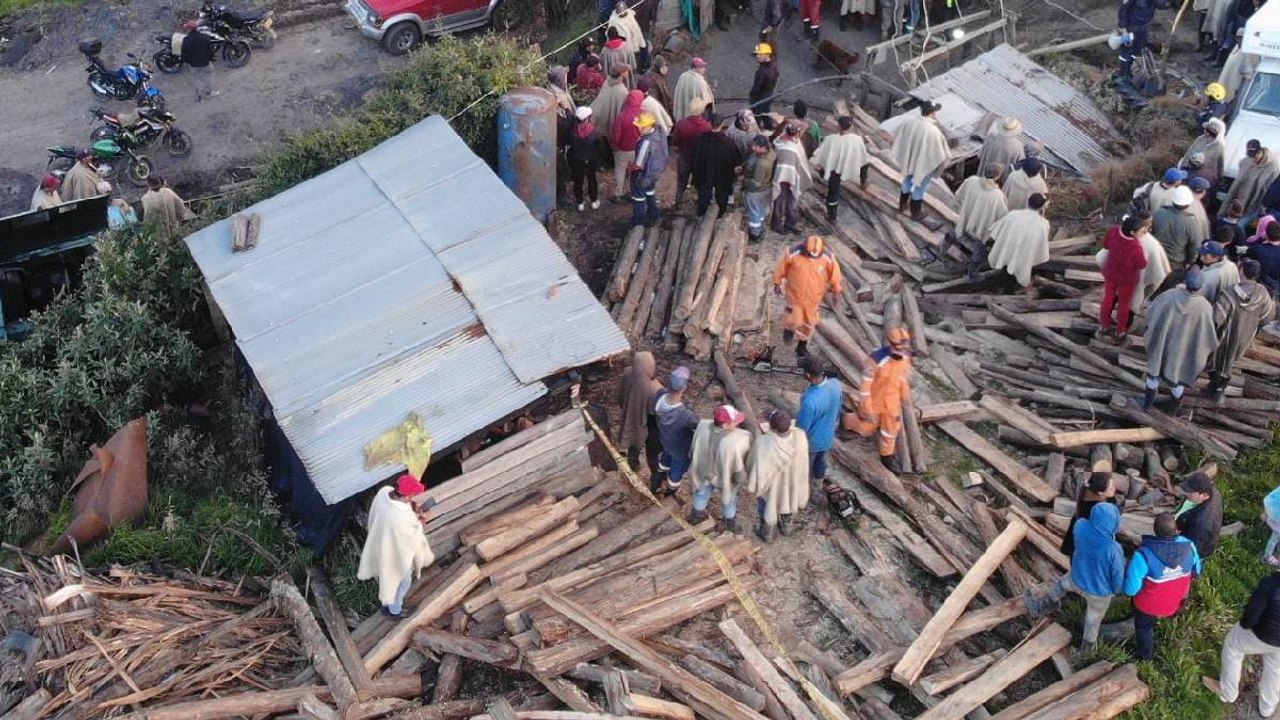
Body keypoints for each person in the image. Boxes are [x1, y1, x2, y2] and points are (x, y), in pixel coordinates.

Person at [1025, 502, 1126, 653]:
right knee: (1093, 621)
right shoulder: (1114, 548)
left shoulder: (1080, 526)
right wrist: (1117, 589)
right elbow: (1117, 574)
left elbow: (1084, 524)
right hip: (1099, 592)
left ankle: (1041, 607)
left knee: (1059, 586)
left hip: (1076, 578)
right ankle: (1086, 651)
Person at [1124, 512, 1203, 660]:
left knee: (1144, 628)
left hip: (1147, 605)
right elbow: (1197, 571)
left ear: (1155, 531)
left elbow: (1130, 589)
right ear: (1176, 530)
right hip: (1175, 600)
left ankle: (1145, 656)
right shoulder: (1189, 547)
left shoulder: (1143, 555)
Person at [357, 474, 435, 618]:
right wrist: (422, 520)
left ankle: (386, 603)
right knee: (403, 582)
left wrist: (411, 507)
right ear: (405, 496)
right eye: (411, 495)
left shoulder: (385, 492)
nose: (412, 497)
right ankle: (394, 611)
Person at [1142, 267, 1219, 413]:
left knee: (1154, 374)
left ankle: (1147, 404)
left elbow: (1150, 314)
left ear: (1185, 282)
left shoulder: (1169, 296)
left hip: (1163, 346)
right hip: (1184, 351)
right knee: (1180, 377)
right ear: (1200, 286)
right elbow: (1208, 336)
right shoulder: (1205, 307)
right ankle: (1172, 409)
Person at [1204, 571, 1280, 718]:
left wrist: (1245, 625)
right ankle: (1267, 707)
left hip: (1264, 634)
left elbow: (1252, 614)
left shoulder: (1271, 584)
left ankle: (1227, 692)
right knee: (1275, 667)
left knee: (1233, 646)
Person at [1207, 259, 1275, 399]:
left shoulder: (1229, 294)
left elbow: (1216, 319)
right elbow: (1268, 315)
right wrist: (1255, 325)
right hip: (1246, 336)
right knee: (1231, 360)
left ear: (1241, 271)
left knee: (1218, 361)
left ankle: (1216, 390)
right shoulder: (1262, 292)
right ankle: (1220, 388)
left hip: (1226, 337)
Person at [849, 327, 913, 473]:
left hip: (892, 405)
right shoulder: (876, 359)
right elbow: (865, 387)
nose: (902, 352)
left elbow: (903, 379)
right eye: (899, 349)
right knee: (864, 428)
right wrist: (866, 409)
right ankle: (844, 421)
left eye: (904, 349)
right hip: (874, 402)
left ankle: (887, 459)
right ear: (891, 345)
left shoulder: (905, 358)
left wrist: (905, 397)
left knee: (890, 432)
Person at [773, 235, 842, 358]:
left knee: (809, 323)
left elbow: (835, 275)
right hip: (794, 296)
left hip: (813, 298)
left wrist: (836, 291)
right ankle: (789, 330)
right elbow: (781, 268)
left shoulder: (828, 257)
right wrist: (777, 282)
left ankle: (801, 346)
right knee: (793, 317)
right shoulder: (792, 253)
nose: (813, 257)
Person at [747, 409, 809, 541]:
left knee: (767, 505)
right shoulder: (800, 436)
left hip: (772, 489)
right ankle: (787, 528)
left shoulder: (763, 443)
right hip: (792, 483)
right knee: (788, 500)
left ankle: (768, 534)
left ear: (772, 427)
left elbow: (754, 465)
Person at [688, 405, 753, 531]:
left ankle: (696, 516)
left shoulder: (702, 427)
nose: (737, 424)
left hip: (704, 471)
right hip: (725, 476)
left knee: (701, 493)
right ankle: (730, 524)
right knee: (729, 499)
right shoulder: (738, 440)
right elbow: (739, 470)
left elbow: (693, 450)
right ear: (724, 425)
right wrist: (741, 479)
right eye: (734, 422)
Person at [891, 101, 950, 220]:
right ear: (933, 112)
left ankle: (902, 205)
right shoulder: (934, 132)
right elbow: (944, 154)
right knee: (919, 187)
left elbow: (899, 135)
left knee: (907, 180)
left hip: (910, 160)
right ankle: (915, 213)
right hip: (923, 163)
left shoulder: (909, 122)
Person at [987, 193, 1052, 300]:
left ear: (1028, 202)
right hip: (1024, 255)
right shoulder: (1043, 224)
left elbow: (996, 231)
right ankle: (1010, 291)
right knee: (1019, 271)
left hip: (1008, 251)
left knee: (1007, 268)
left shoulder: (1013, 215)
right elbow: (1042, 244)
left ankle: (1005, 289)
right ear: (1041, 207)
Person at [795, 355, 843, 502]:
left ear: (808, 375)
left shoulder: (810, 400)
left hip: (812, 442)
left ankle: (800, 493)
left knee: (804, 466)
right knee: (820, 463)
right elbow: (839, 409)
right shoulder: (835, 385)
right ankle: (816, 490)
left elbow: (801, 428)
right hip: (828, 436)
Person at [948, 163, 1009, 274]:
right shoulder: (998, 196)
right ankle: (972, 274)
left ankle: (952, 248)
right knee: (980, 253)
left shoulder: (971, 181)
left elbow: (958, 196)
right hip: (980, 231)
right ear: (997, 177)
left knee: (956, 233)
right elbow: (1002, 218)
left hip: (964, 222)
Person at [1099, 213, 1151, 341]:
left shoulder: (1113, 231)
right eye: (1142, 231)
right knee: (1124, 304)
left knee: (1108, 298)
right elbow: (1142, 264)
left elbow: (1105, 245)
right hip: (1127, 278)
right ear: (1133, 233)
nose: (1144, 233)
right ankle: (1121, 329)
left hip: (1111, 272)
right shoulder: (1135, 247)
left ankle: (1104, 325)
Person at [810, 116, 867, 222]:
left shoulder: (831, 139)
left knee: (833, 191)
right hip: (849, 165)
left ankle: (832, 215)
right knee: (865, 164)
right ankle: (863, 182)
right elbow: (863, 158)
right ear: (850, 126)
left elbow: (822, 155)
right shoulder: (857, 140)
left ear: (839, 126)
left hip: (834, 168)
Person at [617, 351, 663, 481]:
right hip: (647, 424)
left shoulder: (627, 374)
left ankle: (634, 466)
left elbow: (619, 396)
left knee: (633, 447)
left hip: (630, 418)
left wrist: (628, 408)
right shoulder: (654, 389)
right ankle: (656, 476)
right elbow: (655, 413)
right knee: (652, 454)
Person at [654, 366, 698, 495]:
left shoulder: (659, 395)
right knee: (676, 472)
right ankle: (670, 493)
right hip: (681, 450)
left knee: (664, 461)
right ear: (684, 388)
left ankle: (656, 482)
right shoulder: (685, 415)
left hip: (665, 441)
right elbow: (697, 427)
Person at [691, 115, 741, 217]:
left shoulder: (700, 139)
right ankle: (720, 214)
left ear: (709, 124)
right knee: (722, 196)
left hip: (703, 173)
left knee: (704, 195)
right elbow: (735, 160)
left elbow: (693, 157)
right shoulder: (728, 143)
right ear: (722, 125)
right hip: (722, 175)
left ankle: (702, 214)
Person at [771, 122, 813, 234]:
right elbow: (787, 164)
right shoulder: (787, 147)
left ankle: (791, 222)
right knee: (781, 199)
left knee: (793, 199)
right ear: (796, 133)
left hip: (793, 176)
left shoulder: (787, 140)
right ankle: (777, 223)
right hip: (783, 178)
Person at [1061, 472, 1118, 556]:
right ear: (1100, 493)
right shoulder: (1095, 510)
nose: (1114, 488)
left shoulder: (1089, 491)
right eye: (1111, 488)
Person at [629, 111, 668, 227]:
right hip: (655, 171)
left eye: (641, 127)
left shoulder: (646, 142)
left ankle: (638, 222)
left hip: (644, 174)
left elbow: (639, 164)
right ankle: (654, 216)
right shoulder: (660, 133)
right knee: (650, 192)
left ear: (648, 126)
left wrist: (632, 168)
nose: (639, 129)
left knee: (638, 197)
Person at [1152, 186, 1201, 273]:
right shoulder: (1192, 223)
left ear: (1173, 200)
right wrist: (1190, 262)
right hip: (1175, 264)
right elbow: (1195, 246)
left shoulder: (1158, 213)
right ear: (1188, 204)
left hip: (1155, 257)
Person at [672, 99, 713, 206]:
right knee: (701, 183)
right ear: (702, 111)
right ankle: (701, 204)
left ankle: (678, 203)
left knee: (681, 183)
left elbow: (675, 140)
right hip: (699, 160)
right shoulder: (706, 126)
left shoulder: (681, 124)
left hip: (684, 157)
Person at [1175, 471, 1223, 560]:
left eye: (1190, 492)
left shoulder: (1201, 522)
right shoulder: (1214, 492)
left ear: (1204, 495)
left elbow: (1193, 548)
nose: (1186, 493)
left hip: (1197, 546)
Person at [1227, 140, 1280, 219]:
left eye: (1257, 155)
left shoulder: (1273, 167)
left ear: (1262, 153)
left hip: (1258, 204)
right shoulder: (1250, 161)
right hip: (1242, 198)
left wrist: (1265, 204)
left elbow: (1268, 189)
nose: (1254, 158)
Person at [611, 89, 646, 203]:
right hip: (638, 150)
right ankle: (633, 192)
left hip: (622, 150)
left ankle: (618, 194)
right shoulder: (644, 115)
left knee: (620, 172)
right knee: (635, 173)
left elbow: (616, 135)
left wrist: (615, 147)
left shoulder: (621, 116)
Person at [1116, 0, 1163, 81]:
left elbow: (1161, 5)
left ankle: (1133, 72)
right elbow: (1123, 10)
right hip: (1128, 30)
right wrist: (1123, 29)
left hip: (1143, 29)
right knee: (1126, 53)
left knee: (1137, 52)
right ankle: (1123, 75)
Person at [568, 106, 602, 211]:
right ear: (587, 118)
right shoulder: (594, 132)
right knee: (592, 179)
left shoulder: (572, 132)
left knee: (578, 181)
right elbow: (600, 149)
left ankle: (580, 203)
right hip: (591, 161)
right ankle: (594, 201)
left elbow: (568, 146)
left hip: (576, 161)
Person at [743, 135, 776, 242]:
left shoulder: (762, 164)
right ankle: (760, 226)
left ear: (763, 148)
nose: (753, 148)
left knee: (753, 212)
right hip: (766, 188)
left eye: (756, 146)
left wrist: (743, 181)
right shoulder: (771, 153)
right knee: (761, 210)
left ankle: (755, 233)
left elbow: (756, 183)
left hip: (756, 191)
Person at [590, 63, 631, 141]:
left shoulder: (607, 82)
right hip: (607, 124)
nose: (628, 73)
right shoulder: (622, 91)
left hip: (598, 116)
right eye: (626, 72)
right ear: (621, 74)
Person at [1181, 118, 1226, 188]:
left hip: (1204, 177)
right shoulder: (1200, 139)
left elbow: (1220, 164)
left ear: (1209, 132)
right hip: (1190, 172)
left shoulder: (1219, 147)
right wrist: (1182, 167)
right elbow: (1188, 154)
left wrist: (1220, 178)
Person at [179, 22, 218, 101]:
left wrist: (187, 62)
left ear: (189, 29)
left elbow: (184, 53)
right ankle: (209, 92)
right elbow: (210, 50)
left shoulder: (186, 40)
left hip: (193, 64)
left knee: (196, 78)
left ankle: (199, 95)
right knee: (209, 76)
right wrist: (210, 58)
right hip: (205, 62)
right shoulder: (204, 37)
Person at [608, 1, 649, 71]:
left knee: (644, 47)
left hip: (636, 35)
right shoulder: (613, 20)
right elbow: (611, 33)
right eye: (620, 11)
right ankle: (631, 69)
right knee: (629, 57)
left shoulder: (629, 13)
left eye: (623, 10)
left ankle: (644, 66)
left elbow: (633, 14)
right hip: (625, 42)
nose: (623, 12)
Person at [1199, 240, 1239, 304]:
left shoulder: (1206, 276)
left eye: (1205, 256)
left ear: (1216, 257)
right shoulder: (1232, 265)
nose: (1201, 258)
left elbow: (1203, 299)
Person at [748, 43, 779, 120]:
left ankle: (756, 130)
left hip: (759, 98)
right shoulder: (774, 66)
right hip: (769, 95)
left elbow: (757, 87)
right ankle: (768, 127)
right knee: (766, 114)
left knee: (756, 116)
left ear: (767, 55)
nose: (757, 56)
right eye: (757, 54)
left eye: (760, 54)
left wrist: (752, 96)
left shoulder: (762, 71)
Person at [1250, 222, 1280, 296]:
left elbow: (1248, 252)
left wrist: (1260, 239)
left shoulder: (1258, 250)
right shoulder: (1259, 249)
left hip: (1258, 282)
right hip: (1274, 284)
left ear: (1266, 234)